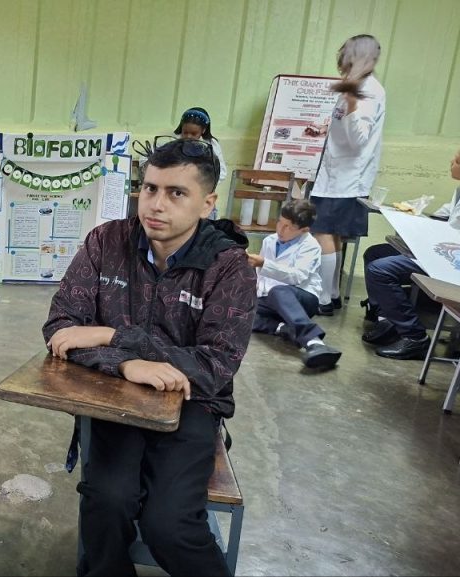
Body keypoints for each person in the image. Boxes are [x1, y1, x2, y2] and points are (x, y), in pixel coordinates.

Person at [43, 138, 256, 577]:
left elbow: (214, 365)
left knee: (169, 524)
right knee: (107, 501)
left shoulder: (228, 266)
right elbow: (61, 328)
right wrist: (125, 364)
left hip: (192, 405)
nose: (156, 204)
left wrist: (113, 335)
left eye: (177, 193)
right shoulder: (106, 242)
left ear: (207, 203)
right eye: (150, 188)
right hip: (114, 397)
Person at [307, 34, 386, 315]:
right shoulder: (358, 87)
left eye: (344, 57)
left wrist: (351, 105)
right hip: (338, 177)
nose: (340, 64)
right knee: (333, 236)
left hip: (346, 180)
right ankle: (332, 294)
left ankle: (323, 299)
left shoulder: (368, 92)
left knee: (322, 233)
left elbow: (358, 140)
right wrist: (325, 128)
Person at [361, 148, 460, 359]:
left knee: (380, 270)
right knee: (374, 253)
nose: (451, 163)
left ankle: (415, 337)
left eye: (457, 161)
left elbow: (452, 231)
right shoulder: (459, 190)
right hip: (441, 250)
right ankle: (388, 319)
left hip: (450, 262)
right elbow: (442, 216)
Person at [247, 200, 341, 369]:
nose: (280, 230)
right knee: (236, 309)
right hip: (271, 299)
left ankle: (314, 342)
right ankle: (282, 328)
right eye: (279, 222)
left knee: (278, 291)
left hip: (302, 298)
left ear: (304, 230)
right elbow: (262, 277)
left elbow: (297, 276)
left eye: (288, 227)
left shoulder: (311, 246)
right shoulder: (269, 241)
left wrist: (263, 263)